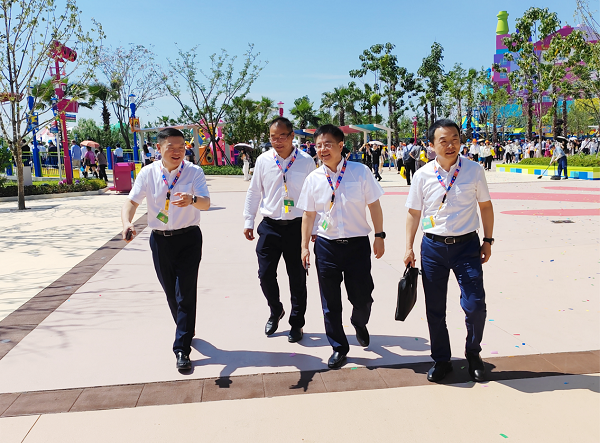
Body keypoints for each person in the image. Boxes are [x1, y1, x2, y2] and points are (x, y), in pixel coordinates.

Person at [404, 119, 494, 383]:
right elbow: (414, 212)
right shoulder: (422, 175)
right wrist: (408, 247)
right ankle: (441, 360)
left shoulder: (474, 170)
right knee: (435, 309)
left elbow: (485, 206)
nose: (451, 145)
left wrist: (488, 240)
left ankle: (473, 353)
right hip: (433, 248)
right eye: (443, 141)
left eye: (455, 139)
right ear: (432, 145)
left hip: (467, 247)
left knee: (475, 305)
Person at [121, 128, 210, 371]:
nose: (177, 152)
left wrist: (192, 200)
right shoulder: (148, 173)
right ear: (159, 148)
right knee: (171, 293)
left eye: (181, 147)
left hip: (189, 238)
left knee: (185, 293)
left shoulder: (194, 172)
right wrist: (127, 223)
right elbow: (132, 202)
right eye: (171, 147)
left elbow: (205, 203)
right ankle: (186, 328)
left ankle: (181, 348)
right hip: (160, 241)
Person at [298, 124, 385, 369]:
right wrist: (304, 247)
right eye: (318, 145)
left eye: (327, 144)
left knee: (363, 297)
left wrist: (379, 235)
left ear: (340, 145)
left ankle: (359, 322)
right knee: (330, 302)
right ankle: (339, 347)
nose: (322, 149)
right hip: (327, 247)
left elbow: (374, 205)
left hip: (357, 245)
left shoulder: (360, 172)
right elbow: (308, 215)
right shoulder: (313, 179)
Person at [243, 117, 316, 343]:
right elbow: (254, 191)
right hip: (270, 226)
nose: (277, 141)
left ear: (292, 136)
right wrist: (248, 220)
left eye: (282, 136)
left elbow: (315, 194)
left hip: (297, 227)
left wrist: (315, 227)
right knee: (265, 274)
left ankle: (297, 323)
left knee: (297, 279)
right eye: (273, 137)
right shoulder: (264, 160)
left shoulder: (306, 161)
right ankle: (276, 310)